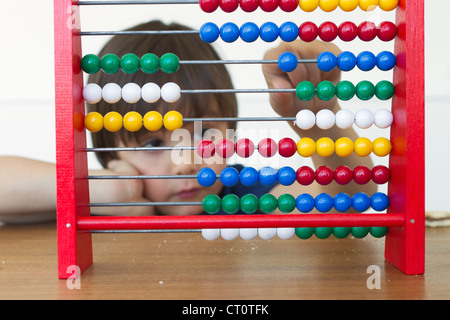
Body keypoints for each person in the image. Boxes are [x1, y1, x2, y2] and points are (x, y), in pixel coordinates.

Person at [0, 20, 375, 223]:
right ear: (110, 153)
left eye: (205, 133)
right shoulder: (98, 202)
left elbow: (350, 201)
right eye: (153, 144)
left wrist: (314, 121)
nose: (188, 161)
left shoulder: (242, 194)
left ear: (232, 129)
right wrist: (107, 192)